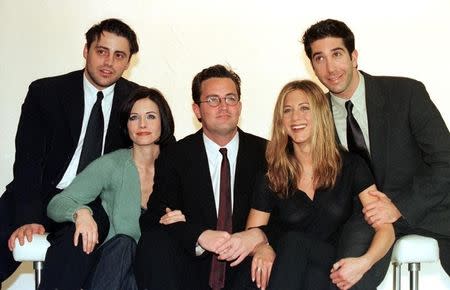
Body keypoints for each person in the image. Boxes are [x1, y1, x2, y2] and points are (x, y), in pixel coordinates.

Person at [301, 19, 450, 289]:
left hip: (428, 209)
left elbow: (445, 161)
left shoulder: (406, 93)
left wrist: (398, 207)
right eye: (319, 58)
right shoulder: (314, 114)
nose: (330, 68)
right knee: (346, 274)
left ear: (354, 56)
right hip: (365, 220)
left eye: (337, 54)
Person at [0, 18, 140, 283]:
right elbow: (28, 160)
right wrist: (28, 217)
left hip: (93, 203)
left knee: (76, 251)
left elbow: (159, 159)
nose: (109, 62)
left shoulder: (137, 102)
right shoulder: (46, 92)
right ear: (86, 51)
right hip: (38, 193)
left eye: (119, 55)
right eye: (102, 51)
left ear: (128, 62)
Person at [245, 80, 394, 290]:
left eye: (304, 108)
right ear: (281, 121)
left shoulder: (351, 165)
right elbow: (253, 231)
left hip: (331, 264)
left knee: (294, 242)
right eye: (287, 111)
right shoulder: (273, 173)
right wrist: (261, 248)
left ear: (320, 113)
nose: (295, 117)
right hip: (292, 270)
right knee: (296, 259)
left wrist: (364, 263)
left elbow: (386, 230)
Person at [135, 64, 268, 290]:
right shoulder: (176, 155)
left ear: (240, 106)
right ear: (197, 110)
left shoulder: (267, 153)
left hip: (247, 265)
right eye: (213, 100)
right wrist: (200, 235)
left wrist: (259, 237)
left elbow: (288, 215)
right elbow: (153, 217)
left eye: (230, 98)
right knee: (153, 242)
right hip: (193, 264)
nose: (223, 106)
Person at [38, 87, 175, 290]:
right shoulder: (111, 165)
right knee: (124, 243)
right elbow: (57, 204)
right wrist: (80, 212)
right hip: (110, 271)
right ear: (126, 125)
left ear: (163, 121)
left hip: (151, 272)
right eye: (134, 117)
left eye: (151, 116)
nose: (142, 124)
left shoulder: (177, 167)